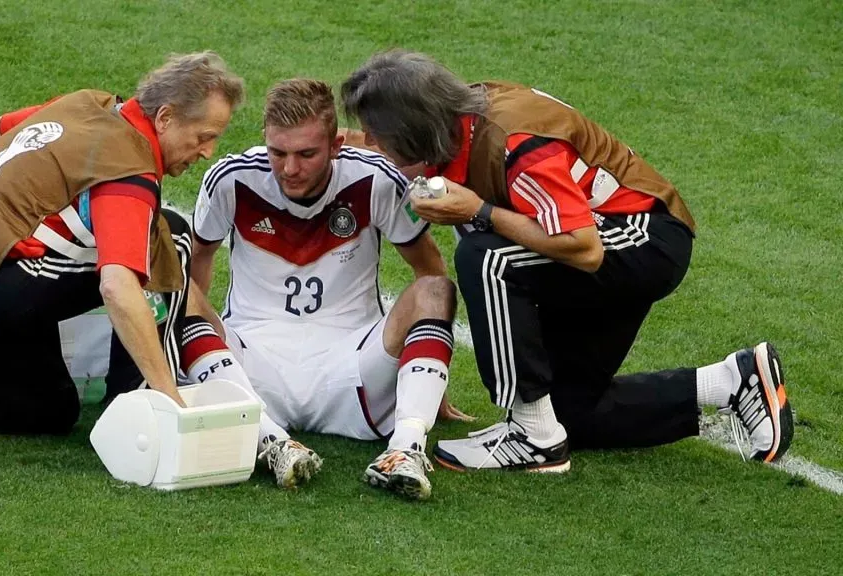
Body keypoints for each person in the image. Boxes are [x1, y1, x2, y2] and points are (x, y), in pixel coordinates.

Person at [339, 50, 793, 473]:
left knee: (486, 255)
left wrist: (476, 211)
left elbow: (583, 246)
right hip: (620, 236)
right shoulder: (457, 116)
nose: (372, 141)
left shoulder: (515, 143)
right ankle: (730, 382)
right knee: (572, 412)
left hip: (639, 239)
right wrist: (347, 142)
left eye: (379, 133)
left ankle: (532, 436)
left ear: (415, 129)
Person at [0, 52, 244, 455]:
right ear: (165, 118)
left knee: (52, 408)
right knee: (169, 238)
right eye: (204, 136)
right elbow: (116, 288)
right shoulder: (128, 173)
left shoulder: (83, 104)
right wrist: (173, 402)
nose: (208, 151)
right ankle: (141, 403)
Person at [190, 79, 465, 500]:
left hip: (353, 367)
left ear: (335, 145)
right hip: (255, 369)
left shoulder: (374, 179)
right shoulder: (231, 179)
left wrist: (429, 379)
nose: (289, 169)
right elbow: (199, 262)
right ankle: (270, 441)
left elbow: (427, 267)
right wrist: (200, 346)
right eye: (277, 152)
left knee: (436, 290)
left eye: (306, 154)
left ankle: (405, 449)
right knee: (178, 296)